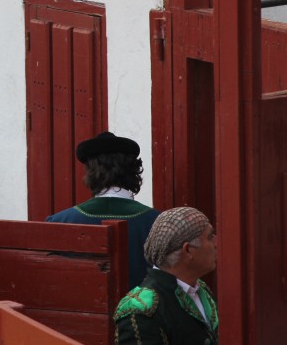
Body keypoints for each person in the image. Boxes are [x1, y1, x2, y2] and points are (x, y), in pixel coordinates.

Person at [46, 131, 160, 288]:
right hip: (143, 311)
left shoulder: (60, 222)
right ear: (134, 170)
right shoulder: (158, 222)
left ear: (91, 172)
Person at [114, 206, 218, 344]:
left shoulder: (201, 289)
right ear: (188, 250)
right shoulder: (141, 309)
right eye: (210, 237)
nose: (216, 243)